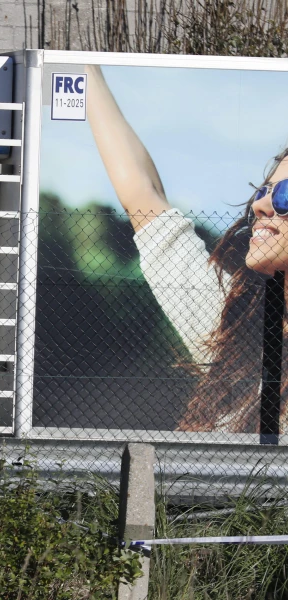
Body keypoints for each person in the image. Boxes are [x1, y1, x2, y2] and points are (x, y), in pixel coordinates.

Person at [86, 64, 288, 433]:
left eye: (285, 194)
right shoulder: (236, 332)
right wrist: (86, 69)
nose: (260, 205)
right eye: (263, 190)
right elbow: (143, 196)